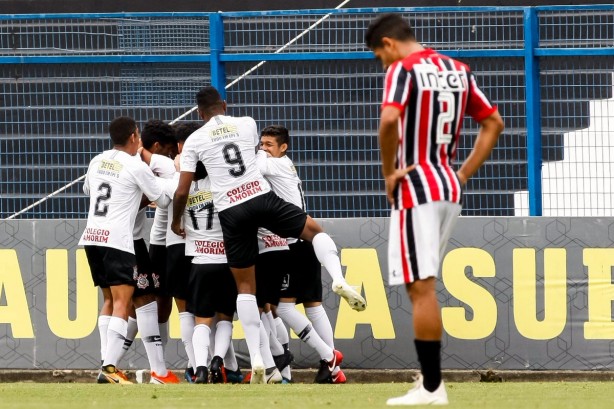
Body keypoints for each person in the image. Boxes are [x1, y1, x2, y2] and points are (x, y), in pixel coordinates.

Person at [171, 86, 365, 384]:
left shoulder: (196, 139)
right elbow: (251, 161)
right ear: (224, 104)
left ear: (199, 113)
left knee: (246, 289)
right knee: (314, 231)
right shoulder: (247, 123)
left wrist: (176, 221)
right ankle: (338, 277)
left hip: (230, 214)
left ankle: (261, 361)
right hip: (260, 198)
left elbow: (182, 190)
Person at [365, 14, 504, 405]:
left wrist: (390, 172)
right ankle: (429, 383)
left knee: (421, 287)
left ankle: (431, 387)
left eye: (380, 57)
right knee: (421, 283)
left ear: (389, 44)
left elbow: (389, 119)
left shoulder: (403, 69)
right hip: (447, 184)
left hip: (416, 187)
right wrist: (462, 173)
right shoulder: (457, 69)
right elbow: (494, 122)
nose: (383, 64)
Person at [79, 116, 172, 384]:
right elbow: (163, 199)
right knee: (123, 302)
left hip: (92, 237)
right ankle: (109, 367)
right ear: (133, 137)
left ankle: (105, 363)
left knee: (108, 301)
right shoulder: (135, 166)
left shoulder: (97, 160)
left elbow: (89, 190)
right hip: (119, 240)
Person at [256, 125, 346, 384]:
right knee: (312, 305)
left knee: (282, 308)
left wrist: (256, 153)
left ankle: (328, 355)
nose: (264, 148)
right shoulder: (284, 163)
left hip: (293, 243)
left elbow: (256, 166)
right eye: (262, 143)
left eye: (269, 144)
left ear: (283, 147)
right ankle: (331, 368)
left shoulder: (277, 164)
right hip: (303, 241)